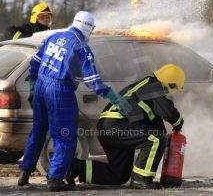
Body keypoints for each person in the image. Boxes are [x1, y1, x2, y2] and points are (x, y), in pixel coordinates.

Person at [17, 11, 132, 192]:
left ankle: (24, 173)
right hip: (60, 92)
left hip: (41, 86)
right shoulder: (81, 48)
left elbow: (35, 63)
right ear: (88, 28)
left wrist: (33, 87)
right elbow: (93, 81)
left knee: (38, 131)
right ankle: (55, 179)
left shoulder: (55, 37)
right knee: (65, 137)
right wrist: (114, 98)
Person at [66, 64, 185, 189]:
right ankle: (141, 180)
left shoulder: (148, 88)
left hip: (109, 127)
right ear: (171, 84)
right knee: (155, 139)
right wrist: (178, 124)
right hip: (116, 125)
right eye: (174, 89)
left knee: (119, 175)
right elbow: (169, 113)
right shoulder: (152, 86)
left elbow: (157, 124)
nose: (171, 93)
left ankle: (75, 168)